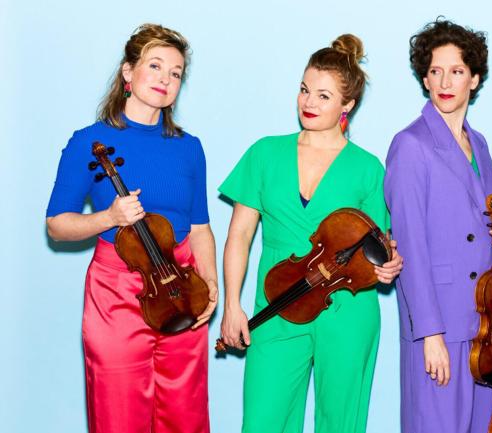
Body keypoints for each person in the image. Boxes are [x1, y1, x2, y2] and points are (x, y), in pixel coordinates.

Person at [218, 34, 403, 433]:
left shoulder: (368, 168)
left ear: (347, 105)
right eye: (304, 90)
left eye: (323, 95)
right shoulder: (264, 153)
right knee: (263, 421)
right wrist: (232, 304)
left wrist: (388, 265)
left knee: (341, 423)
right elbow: (239, 236)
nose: (308, 102)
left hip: (347, 307)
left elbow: (378, 246)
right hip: (278, 299)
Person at [45, 24, 217, 433]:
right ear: (128, 71)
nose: (165, 79)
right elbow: (57, 225)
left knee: (186, 416)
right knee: (118, 415)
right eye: (155, 66)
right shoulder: (88, 142)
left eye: (175, 73)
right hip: (116, 295)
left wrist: (210, 283)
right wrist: (109, 218)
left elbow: (199, 227)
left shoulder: (189, 147)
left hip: (181, 289)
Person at [383, 19, 492, 433]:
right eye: (435, 71)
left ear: (474, 79)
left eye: (456, 71)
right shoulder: (410, 144)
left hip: (486, 328)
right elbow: (410, 246)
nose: (445, 82)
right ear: (424, 79)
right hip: (440, 320)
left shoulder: (481, 145)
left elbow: (483, 218)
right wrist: (430, 334)